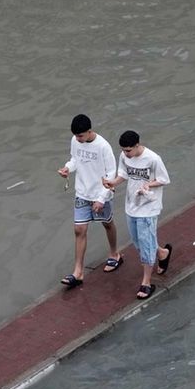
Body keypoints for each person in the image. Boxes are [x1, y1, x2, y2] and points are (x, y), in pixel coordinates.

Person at [56, 113, 122, 287]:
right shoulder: (75, 140)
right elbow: (75, 160)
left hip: (101, 193)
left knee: (107, 223)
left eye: (80, 136)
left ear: (89, 131)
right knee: (79, 230)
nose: (77, 139)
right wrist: (67, 169)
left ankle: (115, 254)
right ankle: (78, 272)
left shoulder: (103, 146)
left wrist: (101, 198)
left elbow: (111, 174)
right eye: (76, 136)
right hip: (82, 192)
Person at [116, 130, 173, 299]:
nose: (126, 154)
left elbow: (164, 179)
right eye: (123, 150)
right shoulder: (124, 156)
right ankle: (163, 253)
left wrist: (149, 185)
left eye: (128, 150)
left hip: (149, 207)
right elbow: (123, 174)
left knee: (146, 243)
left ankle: (146, 282)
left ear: (137, 145)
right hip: (132, 205)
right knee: (138, 241)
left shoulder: (153, 159)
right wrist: (112, 182)